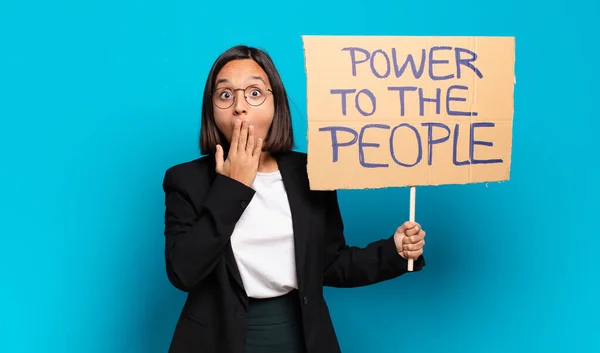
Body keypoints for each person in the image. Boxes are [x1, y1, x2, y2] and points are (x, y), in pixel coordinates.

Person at [161, 45, 426, 353]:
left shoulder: (311, 173)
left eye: (255, 93)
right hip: (219, 339)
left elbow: (330, 264)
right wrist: (231, 187)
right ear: (212, 109)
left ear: (277, 103)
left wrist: (394, 251)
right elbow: (183, 273)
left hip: (299, 333)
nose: (239, 106)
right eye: (225, 95)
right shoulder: (185, 180)